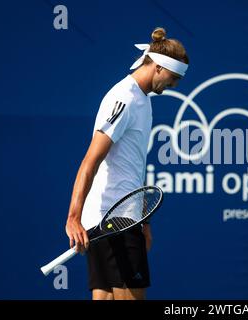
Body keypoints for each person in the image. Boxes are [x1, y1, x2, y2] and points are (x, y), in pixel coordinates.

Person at [64, 27, 189, 300]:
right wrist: (73, 217)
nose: (175, 85)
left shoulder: (142, 100)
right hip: (113, 219)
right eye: (173, 77)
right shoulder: (124, 98)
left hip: (119, 218)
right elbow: (91, 160)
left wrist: (143, 221)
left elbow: (131, 164)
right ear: (157, 67)